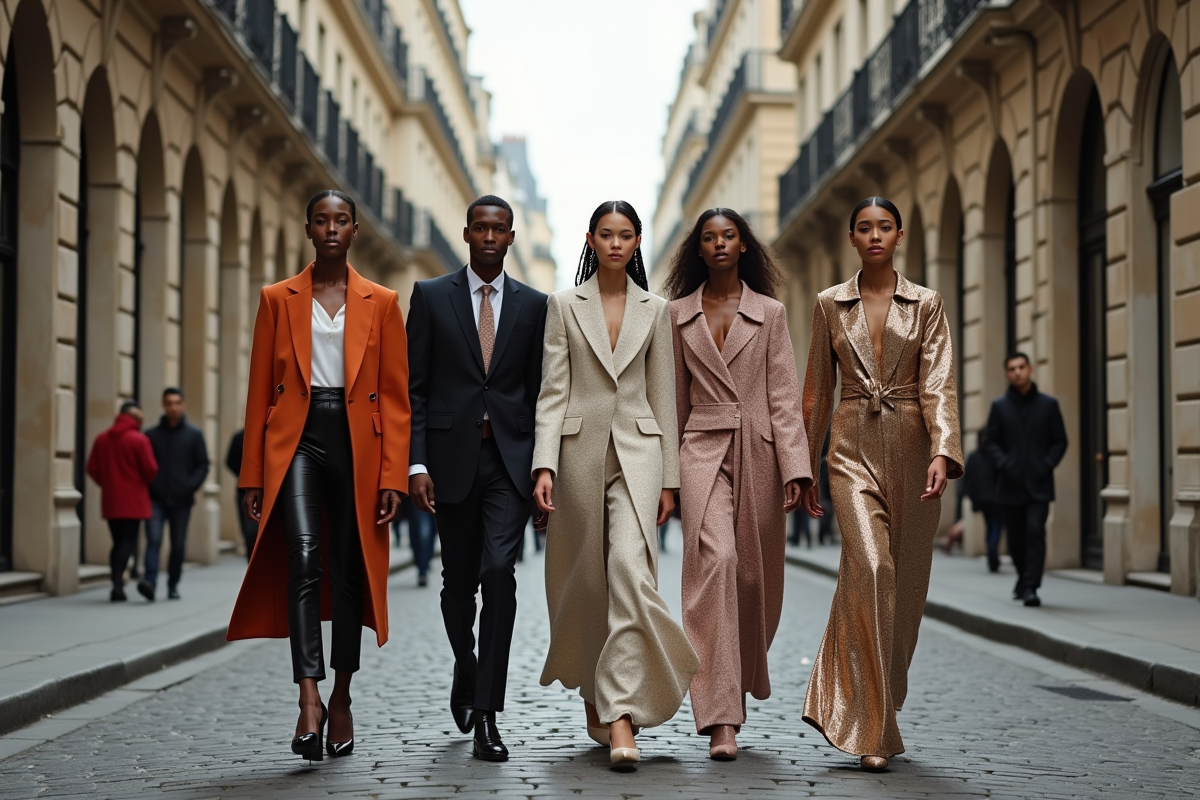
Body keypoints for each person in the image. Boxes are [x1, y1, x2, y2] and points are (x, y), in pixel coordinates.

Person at [227, 190, 410, 762]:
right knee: (305, 558)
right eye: (321, 221)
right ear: (308, 229)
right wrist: (253, 473)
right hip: (298, 439)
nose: (331, 229)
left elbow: (399, 399)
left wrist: (393, 476)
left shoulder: (381, 301)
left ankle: (343, 695)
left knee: (349, 570)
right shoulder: (277, 299)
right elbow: (260, 391)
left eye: (341, 221)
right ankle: (308, 695)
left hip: (358, 441)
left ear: (355, 230)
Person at [533, 201, 699, 769]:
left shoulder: (657, 311)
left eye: (625, 236)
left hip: (639, 453)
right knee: (586, 583)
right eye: (605, 234)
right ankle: (595, 691)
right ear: (591, 238)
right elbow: (553, 391)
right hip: (578, 456)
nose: (614, 244)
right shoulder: (562, 306)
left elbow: (663, 397)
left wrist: (671, 482)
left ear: (637, 242)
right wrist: (543, 465)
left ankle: (622, 712)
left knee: (630, 569)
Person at [801, 197, 963, 771]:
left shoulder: (927, 304)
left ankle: (880, 697)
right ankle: (874, 730)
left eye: (884, 227)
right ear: (851, 238)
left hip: (915, 448)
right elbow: (817, 389)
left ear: (899, 236)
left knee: (907, 587)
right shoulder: (829, 304)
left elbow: (939, 383)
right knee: (872, 568)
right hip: (850, 449)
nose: (875, 235)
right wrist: (804, 466)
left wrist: (944, 449)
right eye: (864, 228)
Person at [663, 208, 810, 759]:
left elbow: (782, 397)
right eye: (709, 237)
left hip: (761, 453)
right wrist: (668, 479)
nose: (720, 244)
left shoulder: (769, 313)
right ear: (697, 250)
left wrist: (796, 467)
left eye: (729, 236)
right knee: (717, 562)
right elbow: (673, 401)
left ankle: (739, 681)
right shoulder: (676, 316)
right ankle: (721, 716)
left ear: (743, 246)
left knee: (752, 579)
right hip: (701, 449)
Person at [406, 195, 548, 762]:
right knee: (457, 585)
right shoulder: (431, 297)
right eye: (481, 228)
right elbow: (414, 389)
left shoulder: (534, 306)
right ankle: (466, 667)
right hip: (450, 460)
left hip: (509, 463)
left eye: (500, 229)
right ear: (466, 233)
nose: (490, 236)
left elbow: (542, 393)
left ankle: (488, 712)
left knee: (499, 572)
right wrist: (416, 463)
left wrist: (544, 467)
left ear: (512, 238)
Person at [983, 353, 1067, 606]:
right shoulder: (999, 407)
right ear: (1007, 374)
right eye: (1012, 369)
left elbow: (1060, 441)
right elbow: (990, 442)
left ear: (1030, 369)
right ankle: (1023, 576)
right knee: (1017, 538)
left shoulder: (1048, 405)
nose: (1017, 372)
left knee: (1034, 532)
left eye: (1021, 367)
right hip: (1009, 485)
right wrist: (1004, 464)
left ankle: (1031, 586)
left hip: (1039, 485)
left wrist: (1047, 464)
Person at [140, 388, 209, 601]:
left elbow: (203, 465)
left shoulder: (194, 434)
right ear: (163, 405)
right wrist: (150, 486)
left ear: (183, 405)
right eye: (169, 403)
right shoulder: (151, 435)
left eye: (177, 403)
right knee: (154, 540)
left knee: (178, 544)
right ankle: (149, 581)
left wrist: (189, 486)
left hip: (182, 500)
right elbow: (144, 466)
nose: (173, 407)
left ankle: (173, 585)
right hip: (155, 499)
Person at [86, 400, 158, 602]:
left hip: (111, 499)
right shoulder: (139, 440)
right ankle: (117, 585)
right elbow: (151, 470)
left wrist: (108, 483)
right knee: (127, 542)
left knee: (117, 541)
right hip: (133, 501)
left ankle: (116, 583)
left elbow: (91, 468)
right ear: (135, 418)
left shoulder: (101, 439)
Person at [962, 430, 1004, 572]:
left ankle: (992, 555)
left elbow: (967, 479)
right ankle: (992, 552)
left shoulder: (974, 457)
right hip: (996, 499)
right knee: (996, 525)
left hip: (983, 499)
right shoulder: (996, 455)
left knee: (991, 525)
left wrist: (970, 495)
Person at [224, 429, 258, 561]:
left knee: (250, 529)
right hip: (244, 490)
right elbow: (230, 461)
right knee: (249, 530)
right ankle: (252, 560)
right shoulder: (240, 437)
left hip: (247, 489)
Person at [403, 494, 436, 587]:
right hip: (418, 492)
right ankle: (422, 568)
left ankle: (425, 561)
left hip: (437, 493)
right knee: (422, 531)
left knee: (431, 530)